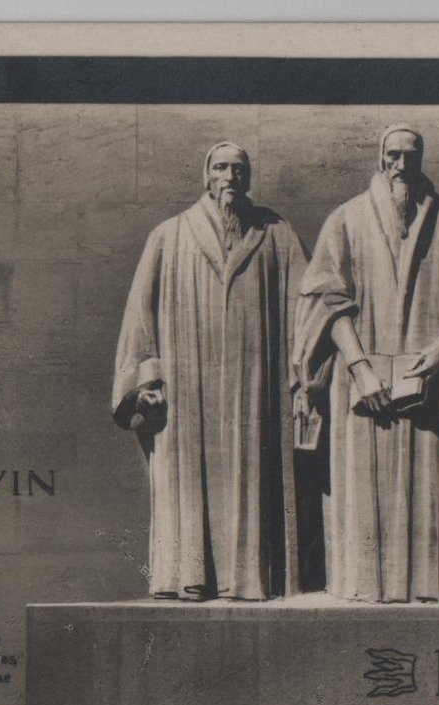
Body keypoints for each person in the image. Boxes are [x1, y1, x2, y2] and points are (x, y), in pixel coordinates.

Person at [292, 125, 439, 603]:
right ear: (380, 159)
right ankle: (365, 586)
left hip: (436, 384)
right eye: (393, 156)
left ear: (421, 161)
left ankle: (436, 588)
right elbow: (326, 299)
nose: (401, 166)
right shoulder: (347, 220)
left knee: (434, 492)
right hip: (364, 381)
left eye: (410, 157)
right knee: (368, 501)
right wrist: (359, 367)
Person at [112, 142, 311, 601]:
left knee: (250, 476)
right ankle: (188, 577)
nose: (230, 178)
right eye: (221, 168)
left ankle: (247, 579)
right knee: (188, 479)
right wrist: (145, 381)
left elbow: (310, 306)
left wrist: (305, 379)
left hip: (253, 387)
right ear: (206, 175)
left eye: (239, 170)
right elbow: (140, 316)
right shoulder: (170, 235)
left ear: (249, 178)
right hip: (187, 387)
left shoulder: (275, 234)